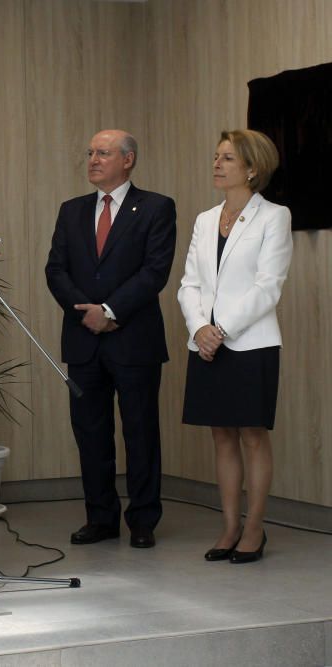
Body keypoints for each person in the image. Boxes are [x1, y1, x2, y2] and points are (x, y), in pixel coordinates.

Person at [45, 130, 176, 549]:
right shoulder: (71, 211)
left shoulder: (156, 207)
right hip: (84, 338)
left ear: (128, 159)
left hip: (133, 338)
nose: (93, 159)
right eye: (90, 153)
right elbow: (55, 270)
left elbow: (155, 271)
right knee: (90, 432)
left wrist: (112, 312)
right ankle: (100, 518)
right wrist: (89, 313)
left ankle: (142, 520)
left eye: (103, 153)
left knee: (140, 431)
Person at [178, 129, 292, 564]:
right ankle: (229, 526)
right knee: (221, 436)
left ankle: (255, 528)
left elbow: (268, 288)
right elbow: (189, 284)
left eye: (227, 158)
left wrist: (220, 328)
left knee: (251, 435)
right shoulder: (205, 219)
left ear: (252, 168)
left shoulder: (273, 217)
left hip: (250, 343)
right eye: (216, 156)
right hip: (205, 343)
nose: (217, 164)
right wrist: (200, 328)